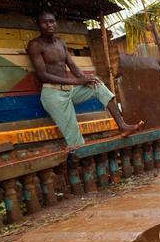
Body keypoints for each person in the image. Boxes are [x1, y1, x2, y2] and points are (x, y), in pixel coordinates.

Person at [27, 10, 144, 148]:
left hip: (68, 91)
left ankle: (122, 126)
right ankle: (79, 162)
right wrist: (76, 81)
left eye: (51, 21)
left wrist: (86, 78)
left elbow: (73, 66)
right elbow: (42, 75)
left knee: (98, 85)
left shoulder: (60, 43)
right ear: (39, 25)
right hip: (52, 95)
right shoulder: (35, 45)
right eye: (44, 22)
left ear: (56, 23)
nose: (49, 25)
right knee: (75, 139)